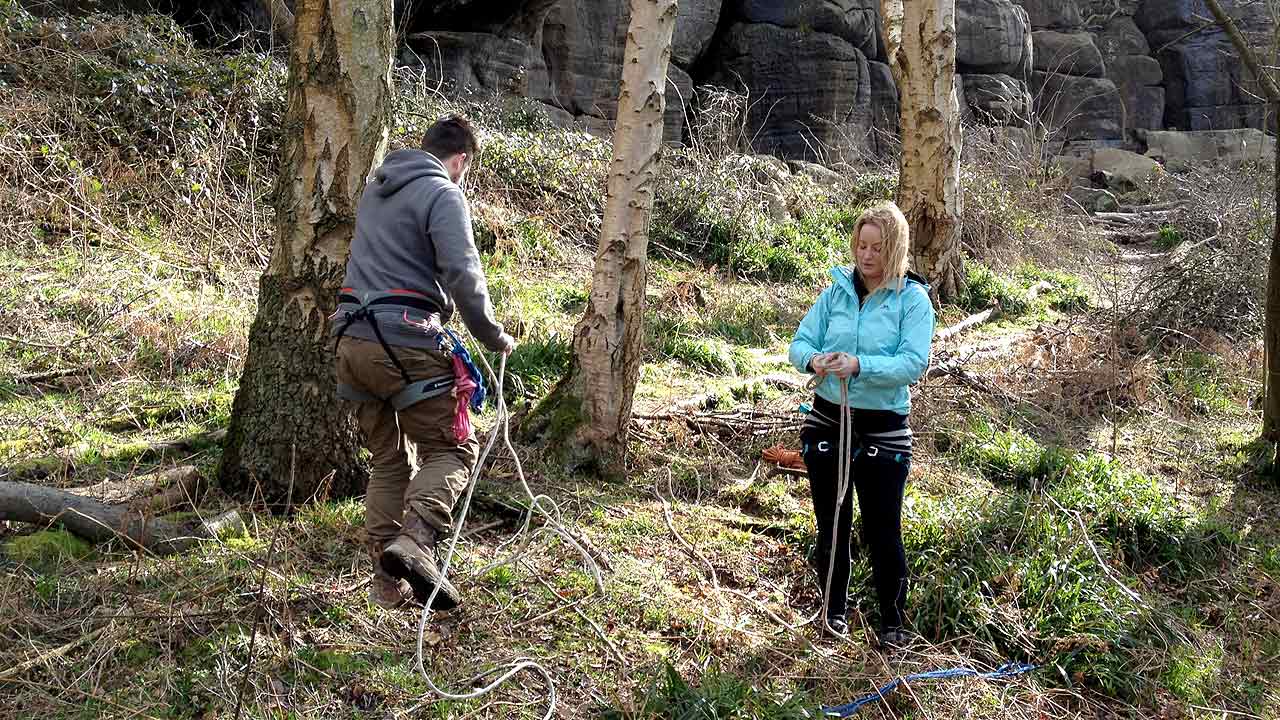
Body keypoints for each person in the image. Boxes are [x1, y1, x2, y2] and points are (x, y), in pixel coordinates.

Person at [332, 115, 515, 611]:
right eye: (466, 170)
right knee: (453, 451)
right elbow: (462, 271)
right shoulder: (444, 192)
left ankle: (386, 585)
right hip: (406, 340)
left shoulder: (376, 189)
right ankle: (415, 540)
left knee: (390, 460)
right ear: (460, 161)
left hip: (350, 339)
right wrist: (493, 337)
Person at [788, 201, 934, 645]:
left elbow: (914, 362)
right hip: (828, 418)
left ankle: (892, 622)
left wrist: (860, 365)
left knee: (881, 526)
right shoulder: (834, 292)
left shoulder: (913, 299)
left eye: (877, 248)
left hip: (885, 426)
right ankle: (832, 613)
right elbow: (799, 343)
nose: (866, 256)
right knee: (832, 520)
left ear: (896, 249)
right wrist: (814, 359)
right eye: (861, 246)